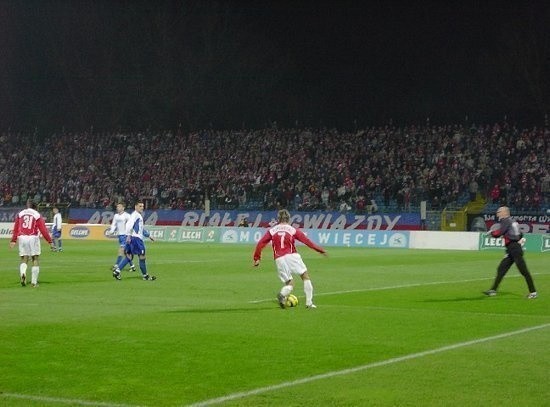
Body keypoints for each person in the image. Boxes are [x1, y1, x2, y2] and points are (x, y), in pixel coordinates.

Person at [253, 209, 327, 309]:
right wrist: (320, 250)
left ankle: (283, 294)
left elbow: (260, 243)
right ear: (289, 218)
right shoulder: (292, 230)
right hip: (292, 255)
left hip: (279, 258)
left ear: (278, 219)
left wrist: (257, 258)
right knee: (305, 276)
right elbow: (307, 242)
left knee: (289, 282)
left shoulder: (272, 231)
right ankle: (309, 303)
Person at [483, 206, 537, 299]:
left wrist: (491, 233)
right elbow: (520, 234)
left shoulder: (505, 221)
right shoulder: (513, 221)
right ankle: (493, 290)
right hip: (513, 249)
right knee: (501, 269)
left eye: (499, 212)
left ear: (505, 212)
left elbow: (500, 233)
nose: (497, 213)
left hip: (513, 249)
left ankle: (533, 292)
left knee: (524, 271)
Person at [9, 199, 55, 287]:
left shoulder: (21, 214)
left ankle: (23, 274)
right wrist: (50, 241)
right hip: (32, 237)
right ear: (35, 206)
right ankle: (34, 283)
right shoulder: (37, 215)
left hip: (22, 237)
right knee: (35, 259)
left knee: (24, 259)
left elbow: (16, 228)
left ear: (28, 205)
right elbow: (43, 230)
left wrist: (13, 240)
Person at [112, 201, 156, 281]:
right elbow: (129, 225)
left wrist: (148, 236)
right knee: (142, 257)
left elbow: (140, 228)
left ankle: (117, 271)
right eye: (140, 206)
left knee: (129, 256)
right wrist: (128, 235)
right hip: (136, 239)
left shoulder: (135, 215)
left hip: (132, 238)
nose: (142, 207)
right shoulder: (136, 215)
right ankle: (145, 276)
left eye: (142, 206)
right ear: (135, 206)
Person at [107, 203, 136, 273]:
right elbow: (113, 224)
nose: (117, 208)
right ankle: (132, 266)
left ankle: (117, 265)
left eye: (119, 206)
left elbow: (132, 223)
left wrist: (130, 233)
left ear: (123, 208)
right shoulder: (116, 216)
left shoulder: (127, 216)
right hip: (120, 235)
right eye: (117, 206)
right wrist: (111, 231)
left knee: (121, 251)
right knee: (126, 253)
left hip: (125, 236)